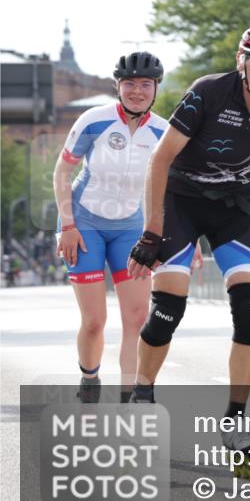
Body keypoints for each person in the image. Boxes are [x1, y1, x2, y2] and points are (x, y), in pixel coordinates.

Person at [126, 23, 250, 481]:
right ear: (243, 62)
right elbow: (160, 159)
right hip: (180, 203)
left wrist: (249, 193)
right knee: (167, 311)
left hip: (229, 207)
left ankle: (235, 423)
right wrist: (150, 233)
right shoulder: (208, 92)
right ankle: (143, 392)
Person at [52, 52, 170, 403]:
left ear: (155, 89)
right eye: (130, 84)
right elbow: (62, 171)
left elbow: (171, 188)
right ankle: (89, 379)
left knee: (136, 318)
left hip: (131, 227)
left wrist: (174, 237)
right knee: (94, 321)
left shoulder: (164, 131)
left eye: (145, 84)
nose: (137, 91)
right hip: (84, 221)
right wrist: (68, 224)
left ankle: (129, 401)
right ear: (118, 87)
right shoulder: (94, 120)